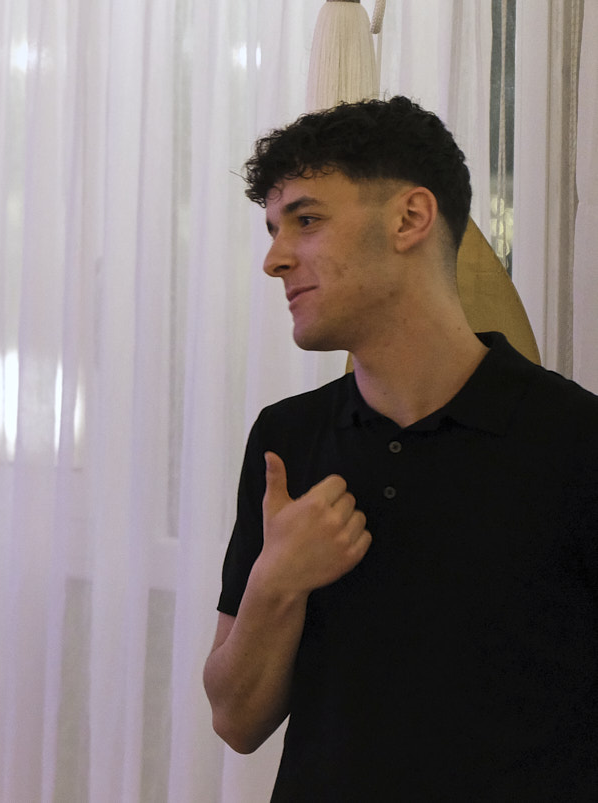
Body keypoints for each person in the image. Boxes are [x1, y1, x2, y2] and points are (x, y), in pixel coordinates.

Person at [203, 96, 598, 801]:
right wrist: (276, 580)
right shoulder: (286, 439)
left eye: (305, 220)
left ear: (410, 218)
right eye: (272, 228)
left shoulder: (576, 440)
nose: (274, 259)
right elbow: (236, 720)